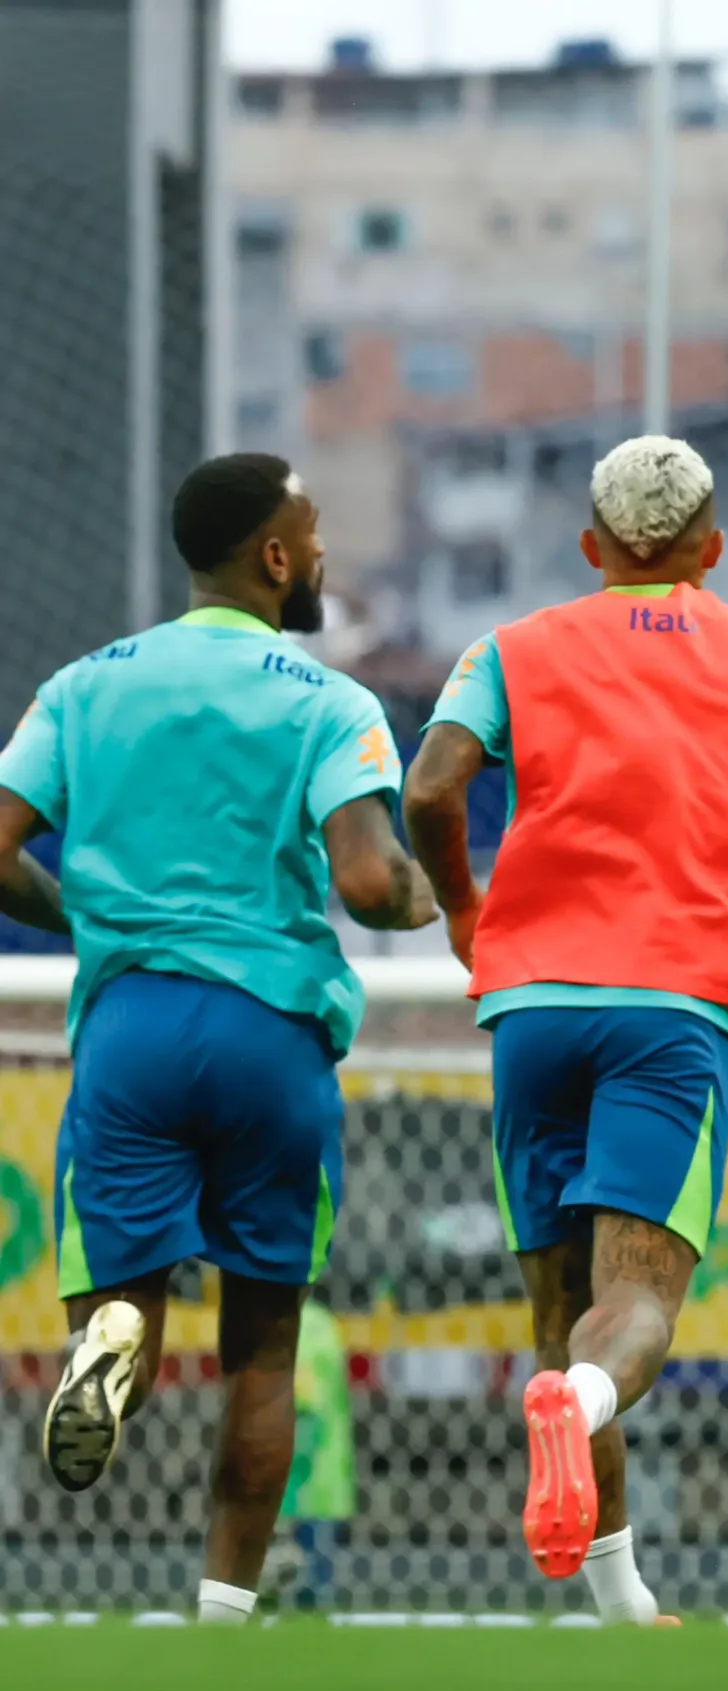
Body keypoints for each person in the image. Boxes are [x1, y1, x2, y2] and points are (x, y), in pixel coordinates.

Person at [403, 435, 728, 1622]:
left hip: (534, 1006)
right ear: (711, 549)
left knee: (562, 1317)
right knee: (637, 1303)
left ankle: (618, 1601)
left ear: (593, 549)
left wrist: (464, 906)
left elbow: (430, 788)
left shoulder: (509, 650)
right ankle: (583, 1411)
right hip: (673, 1008)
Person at [0, 453, 437, 1623]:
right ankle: (222, 1619)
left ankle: (110, 1345)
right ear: (277, 557)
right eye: (315, 533)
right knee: (263, 1347)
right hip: (269, 1031)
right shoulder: (330, 700)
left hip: (132, 1022)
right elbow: (364, 877)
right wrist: (417, 893)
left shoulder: (84, 684)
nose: (326, 554)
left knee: (117, 1315)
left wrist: (81, 910)